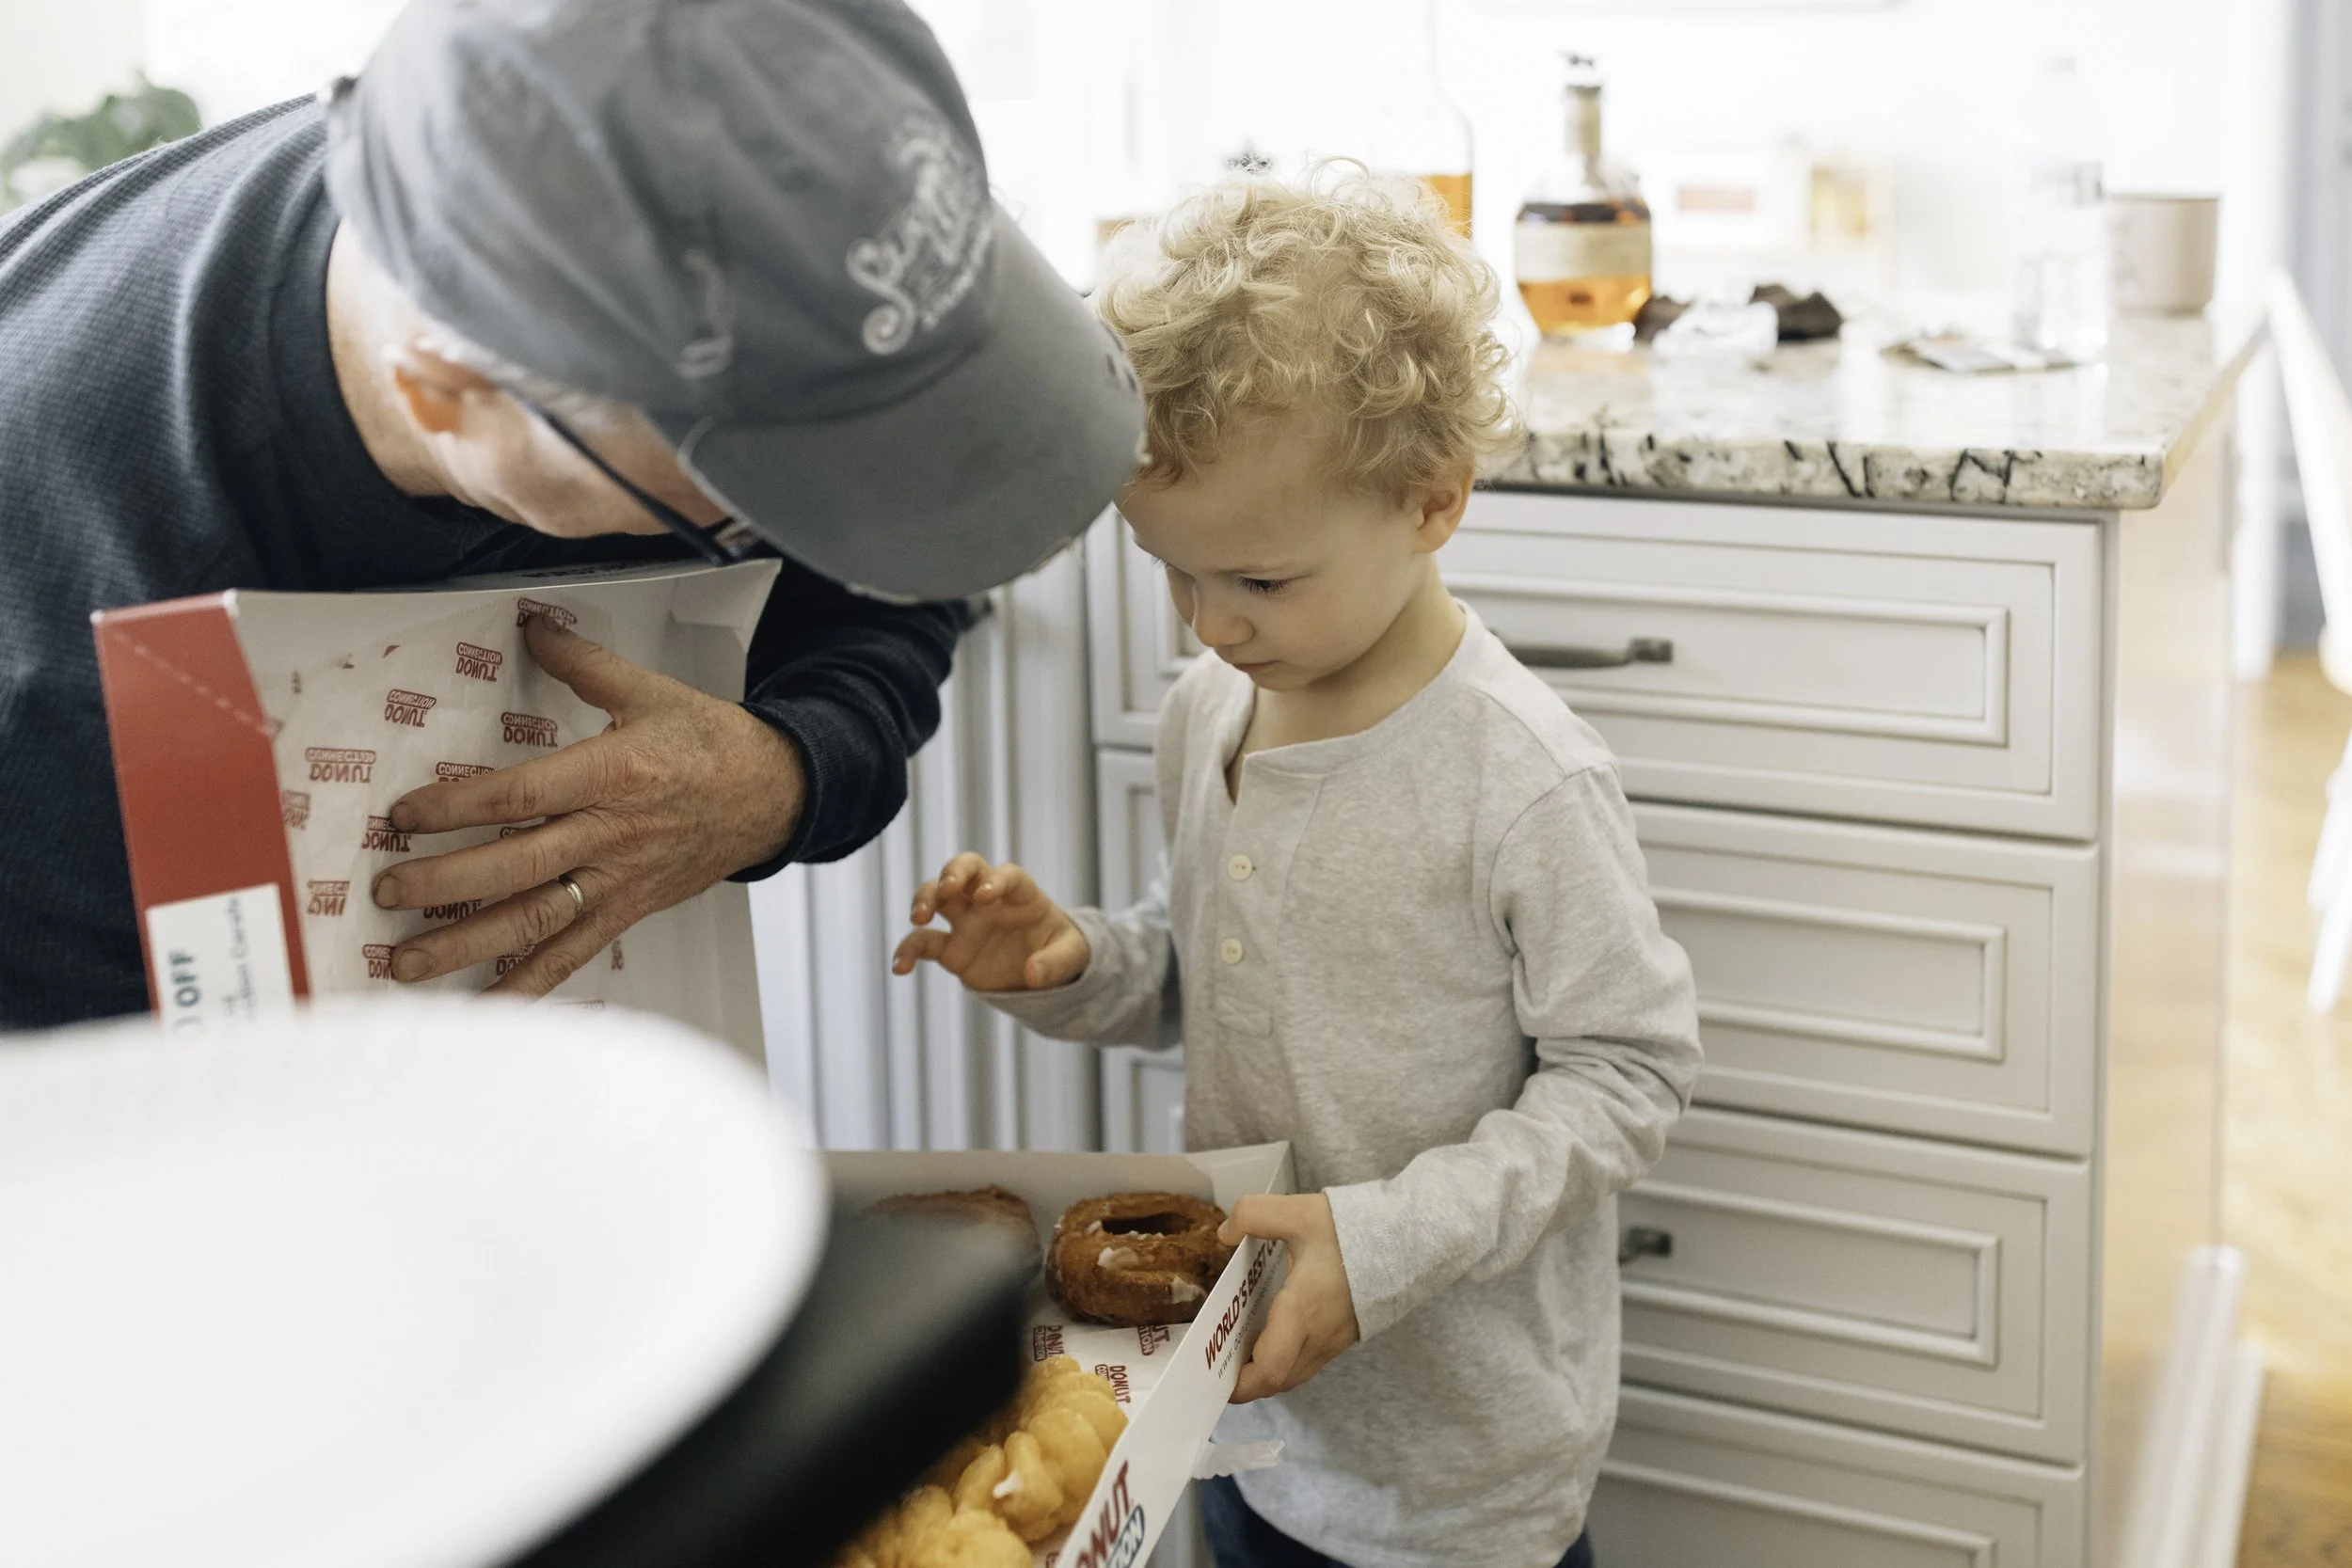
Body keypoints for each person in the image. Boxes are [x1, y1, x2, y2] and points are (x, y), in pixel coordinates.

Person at [0, 0, 1143, 1029]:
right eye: (764, 498)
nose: (836, 514)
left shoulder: (677, 161)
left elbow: (896, 579)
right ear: (442, 392)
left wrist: (780, 774)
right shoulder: (60, 627)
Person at [891, 169, 1702, 1568]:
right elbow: (1211, 967)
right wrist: (1073, 960)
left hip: (1460, 1473)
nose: (1211, 624)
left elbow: (1629, 1076)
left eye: (1260, 582)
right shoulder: (1213, 706)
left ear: (1432, 501)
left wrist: (1378, 1245)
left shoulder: (1519, 776)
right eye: (1175, 573)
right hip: (1247, 1416)